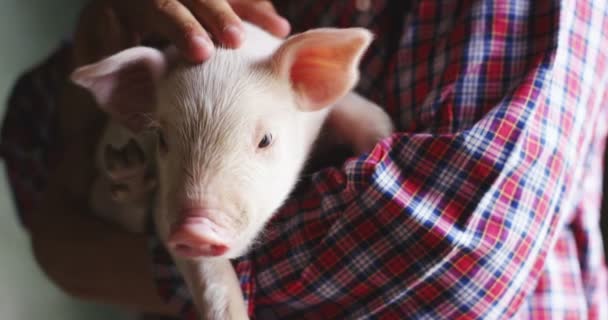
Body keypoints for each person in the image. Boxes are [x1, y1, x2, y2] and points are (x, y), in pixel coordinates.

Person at [2, 0, 607, 318]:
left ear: (319, 72)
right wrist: (107, 26)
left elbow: (457, 248)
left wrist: (191, 275)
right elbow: (27, 137)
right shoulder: (175, 55)